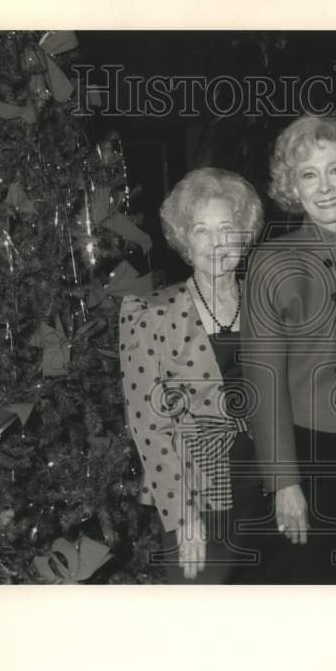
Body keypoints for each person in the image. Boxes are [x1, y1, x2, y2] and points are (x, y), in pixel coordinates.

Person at [241, 115, 336, 583]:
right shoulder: (272, 261)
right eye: (308, 174)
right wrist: (285, 482)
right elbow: (261, 379)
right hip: (307, 450)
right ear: (292, 187)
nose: (324, 187)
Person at [119, 167, 270, 583]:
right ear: (184, 240)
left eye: (228, 227)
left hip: (267, 489)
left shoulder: (270, 306)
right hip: (197, 494)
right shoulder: (149, 313)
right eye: (202, 230)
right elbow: (148, 426)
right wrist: (184, 518)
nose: (217, 242)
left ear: (245, 232)